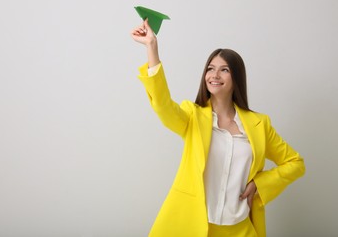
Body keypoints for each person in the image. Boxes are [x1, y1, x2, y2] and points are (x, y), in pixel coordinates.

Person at [131, 19, 306, 237]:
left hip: (241, 229)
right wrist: (152, 48)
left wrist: (261, 184)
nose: (214, 75)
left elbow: (296, 163)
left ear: (236, 78)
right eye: (210, 69)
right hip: (193, 227)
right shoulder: (192, 116)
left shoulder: (260, 125)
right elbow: (163, 105)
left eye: (224, 70)